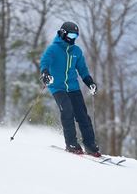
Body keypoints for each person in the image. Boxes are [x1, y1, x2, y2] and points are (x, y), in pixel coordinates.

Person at [40, 21, 101, 157]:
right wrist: (45, 73)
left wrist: (90, 82)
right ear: (63, 33)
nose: (73, 38)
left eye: (75, 36)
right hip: (57, 87)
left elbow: (83, 70)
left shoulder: (76, 52)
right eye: (71, 35)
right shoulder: (53, 49)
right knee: (67, 111)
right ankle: (72, 144)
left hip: (73, 87)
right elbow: (45, 62)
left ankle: (90, 146)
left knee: (83, 116)